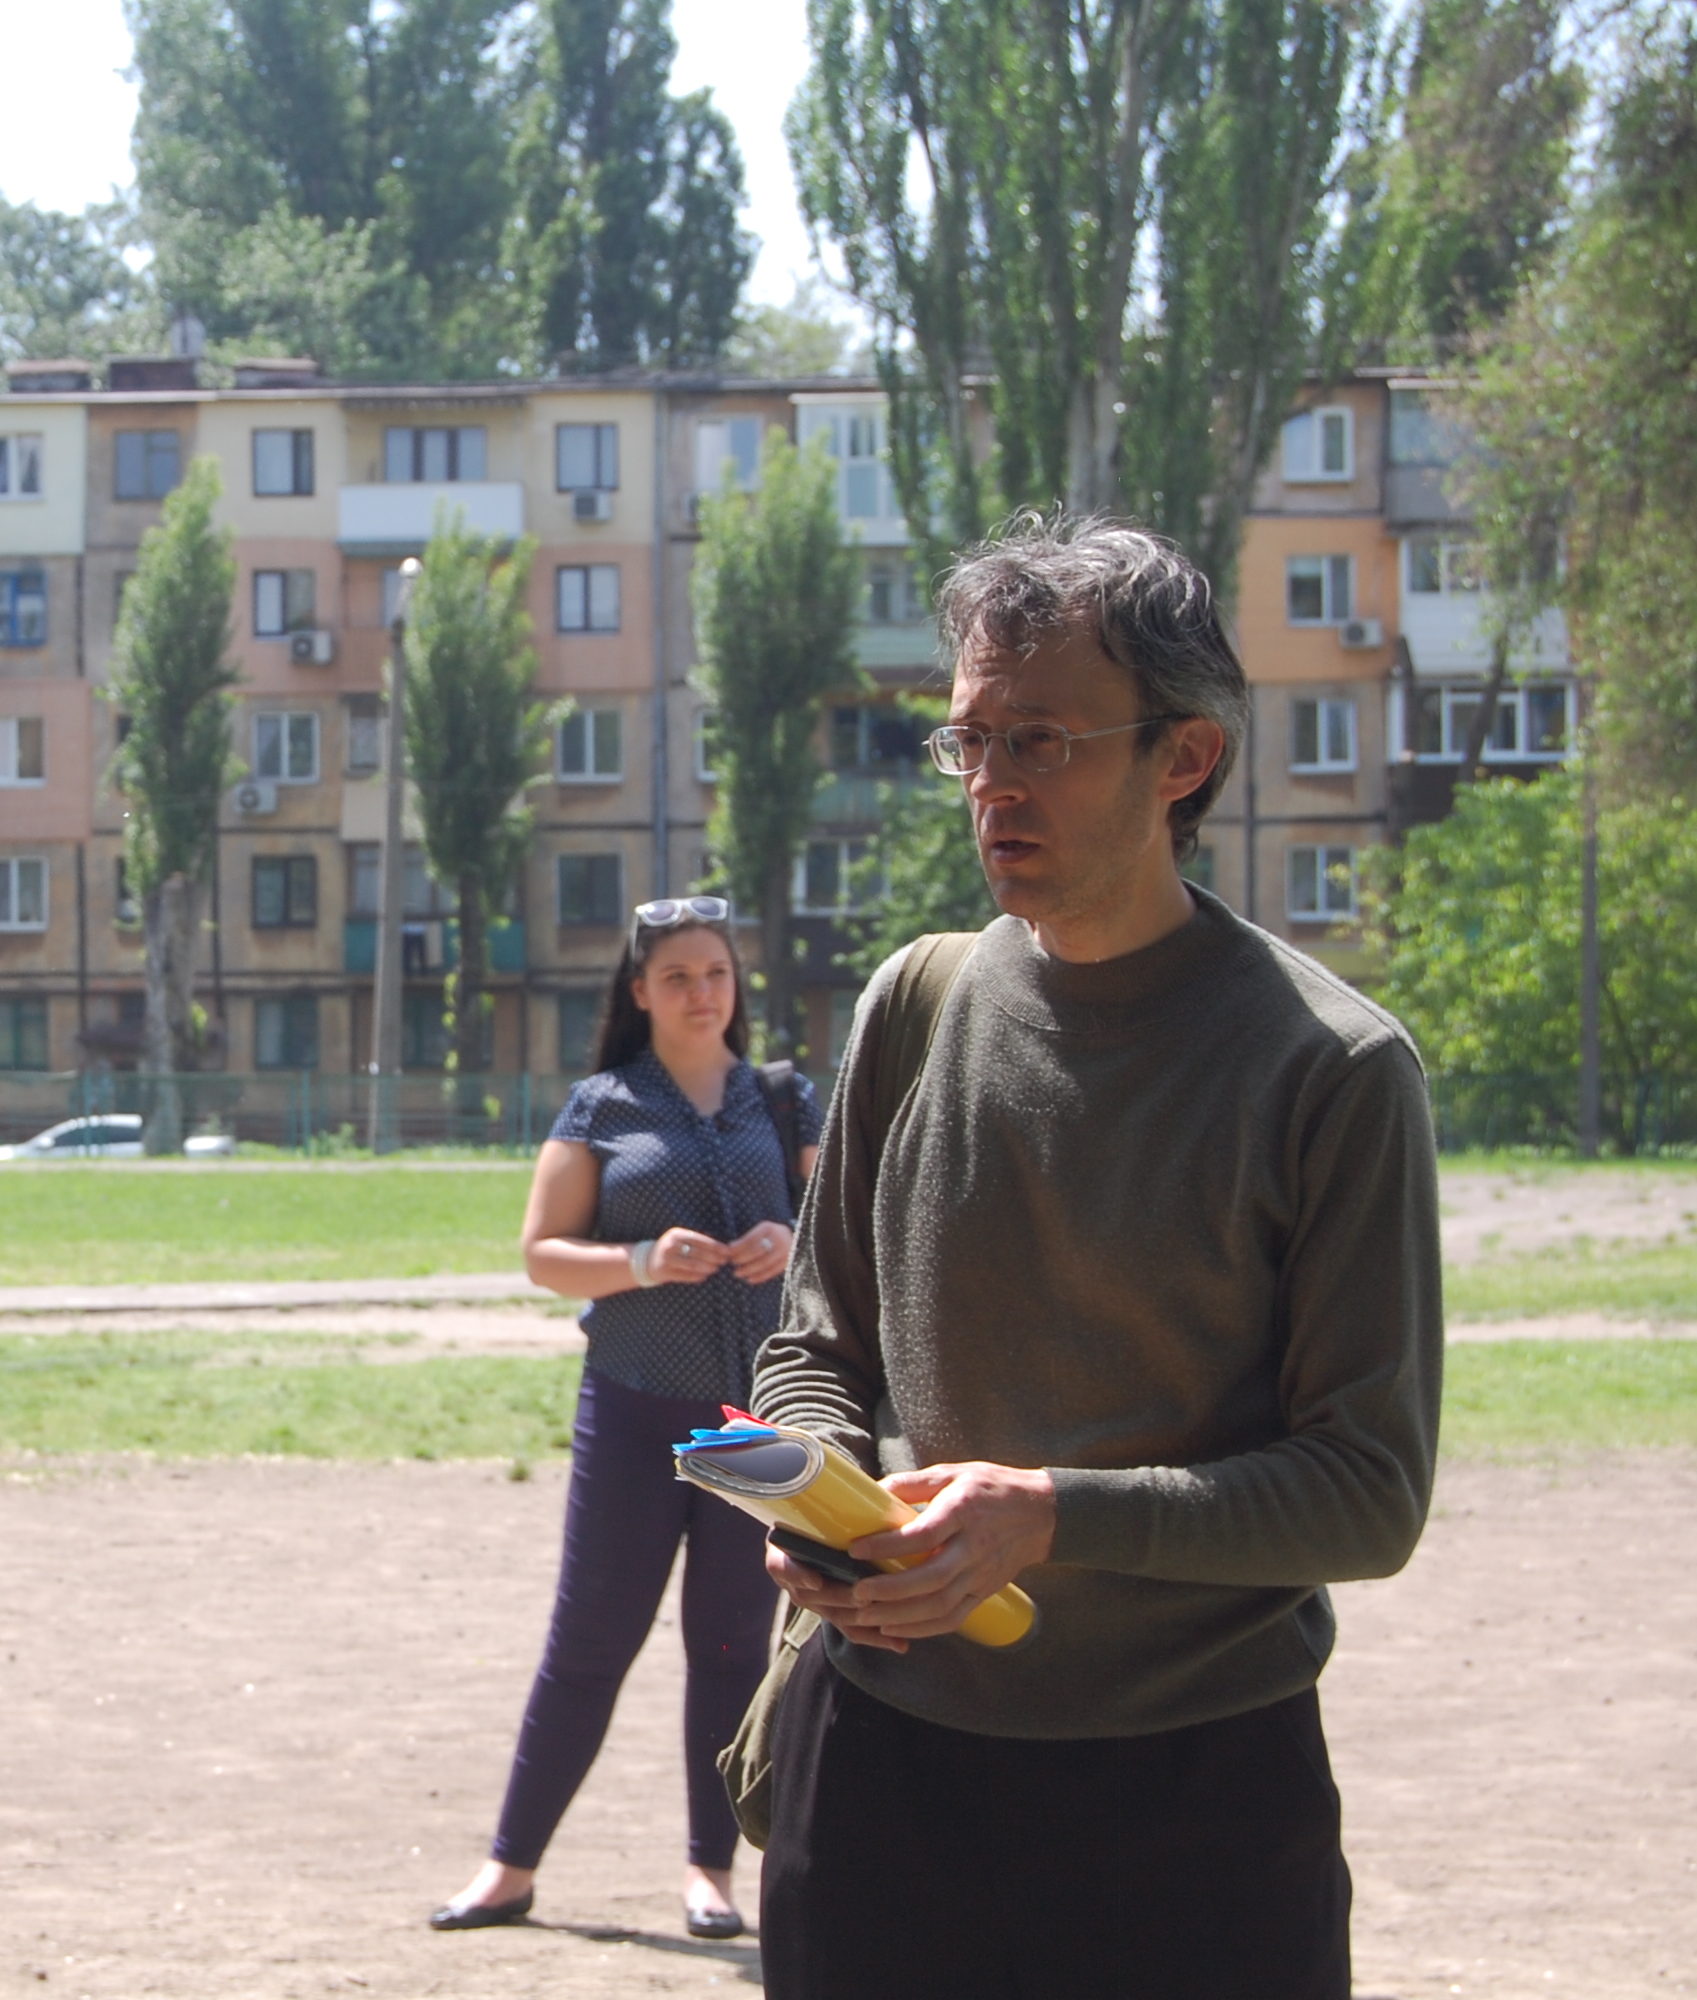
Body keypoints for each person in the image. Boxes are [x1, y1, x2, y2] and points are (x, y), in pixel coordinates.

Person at [747, 516, 1441, 1999]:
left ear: (1183, 757)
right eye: (969, 740)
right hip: (879, 1772)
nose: (991, 784)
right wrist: (820, 1496)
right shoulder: (914, 1004)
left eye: (1041, 741)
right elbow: (816, 1344)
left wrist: (1050, 1515)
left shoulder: (1331, 1069)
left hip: (1192, 1810)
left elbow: (1367, 1491)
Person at [434, 896, 820, 1941]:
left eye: (716, 973)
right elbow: (541, 1253)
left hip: (755, 1421)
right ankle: (509, 1867)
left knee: (732, 1645)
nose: (702, 993)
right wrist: (642, 1260)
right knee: (589, 1642)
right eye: (678, 976)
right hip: (634, 1409)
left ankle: (710, 1871)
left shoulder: (783, 1099)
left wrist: (791, 1240)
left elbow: (839, 1230)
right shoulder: (601, 1104)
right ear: (639, 991)